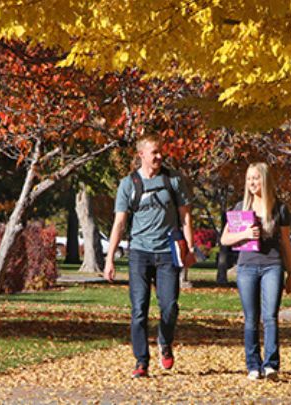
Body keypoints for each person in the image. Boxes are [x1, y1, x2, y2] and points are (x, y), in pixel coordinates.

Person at [104, 134, 195, 378]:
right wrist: (110, 258)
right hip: (139, 253)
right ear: (141, 155)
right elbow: (119, 223)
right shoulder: (129, 183)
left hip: (167, 252)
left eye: (160, 152)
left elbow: (185, 216)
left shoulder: (173, 179)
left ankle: (165, 343)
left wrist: (191, 247)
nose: (159, 156)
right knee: (139, 310)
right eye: (154, 152)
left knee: (169, 306)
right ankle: (141, 362)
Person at [220, 162, 291, 381]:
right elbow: (224, 239)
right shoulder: (240, 208)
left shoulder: (279, 209)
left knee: (270, 316)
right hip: (246, 267)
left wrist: (290, 273)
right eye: (249, 179)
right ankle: (253, 365)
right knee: (251, 318)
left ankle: (271, 365)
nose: (252, 183)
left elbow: (286, 244)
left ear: (265, 180)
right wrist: (244, 234)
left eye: (256, 178)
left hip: (273, 265)